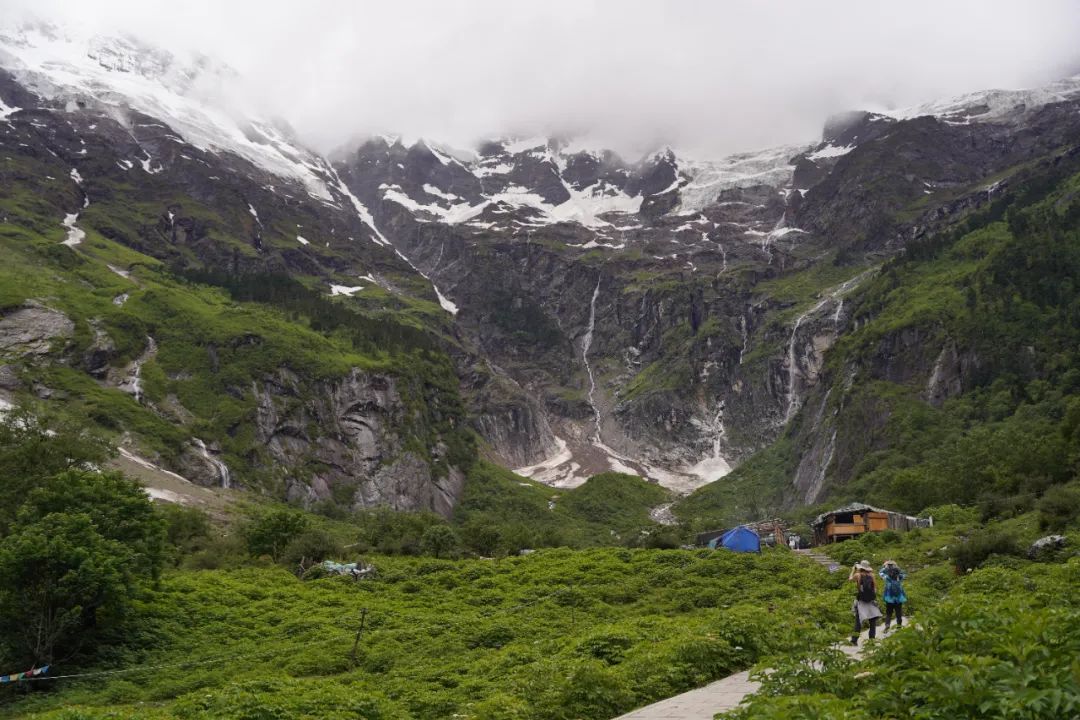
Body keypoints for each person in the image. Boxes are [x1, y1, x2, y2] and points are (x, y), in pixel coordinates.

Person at [848, 559, 882, 645]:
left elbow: (850, 579)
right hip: (871, 601)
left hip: (861, 600)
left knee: (858, 621)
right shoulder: (872, 575)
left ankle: (854, 640)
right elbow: (875, 588)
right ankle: (871, 641)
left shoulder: (858, 575)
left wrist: (853, 570)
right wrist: (872, 597)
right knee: (872, 621)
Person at [879, 560, 907, 632]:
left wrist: (885, 566)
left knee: (889, 612)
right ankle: (899, 627)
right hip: (899, 598)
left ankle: (887, 626)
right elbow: (904, 573)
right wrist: (896, 566)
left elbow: (880, 572)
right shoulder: (900, 577)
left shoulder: (887, 578)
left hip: (889, 598)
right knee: (898, 612)